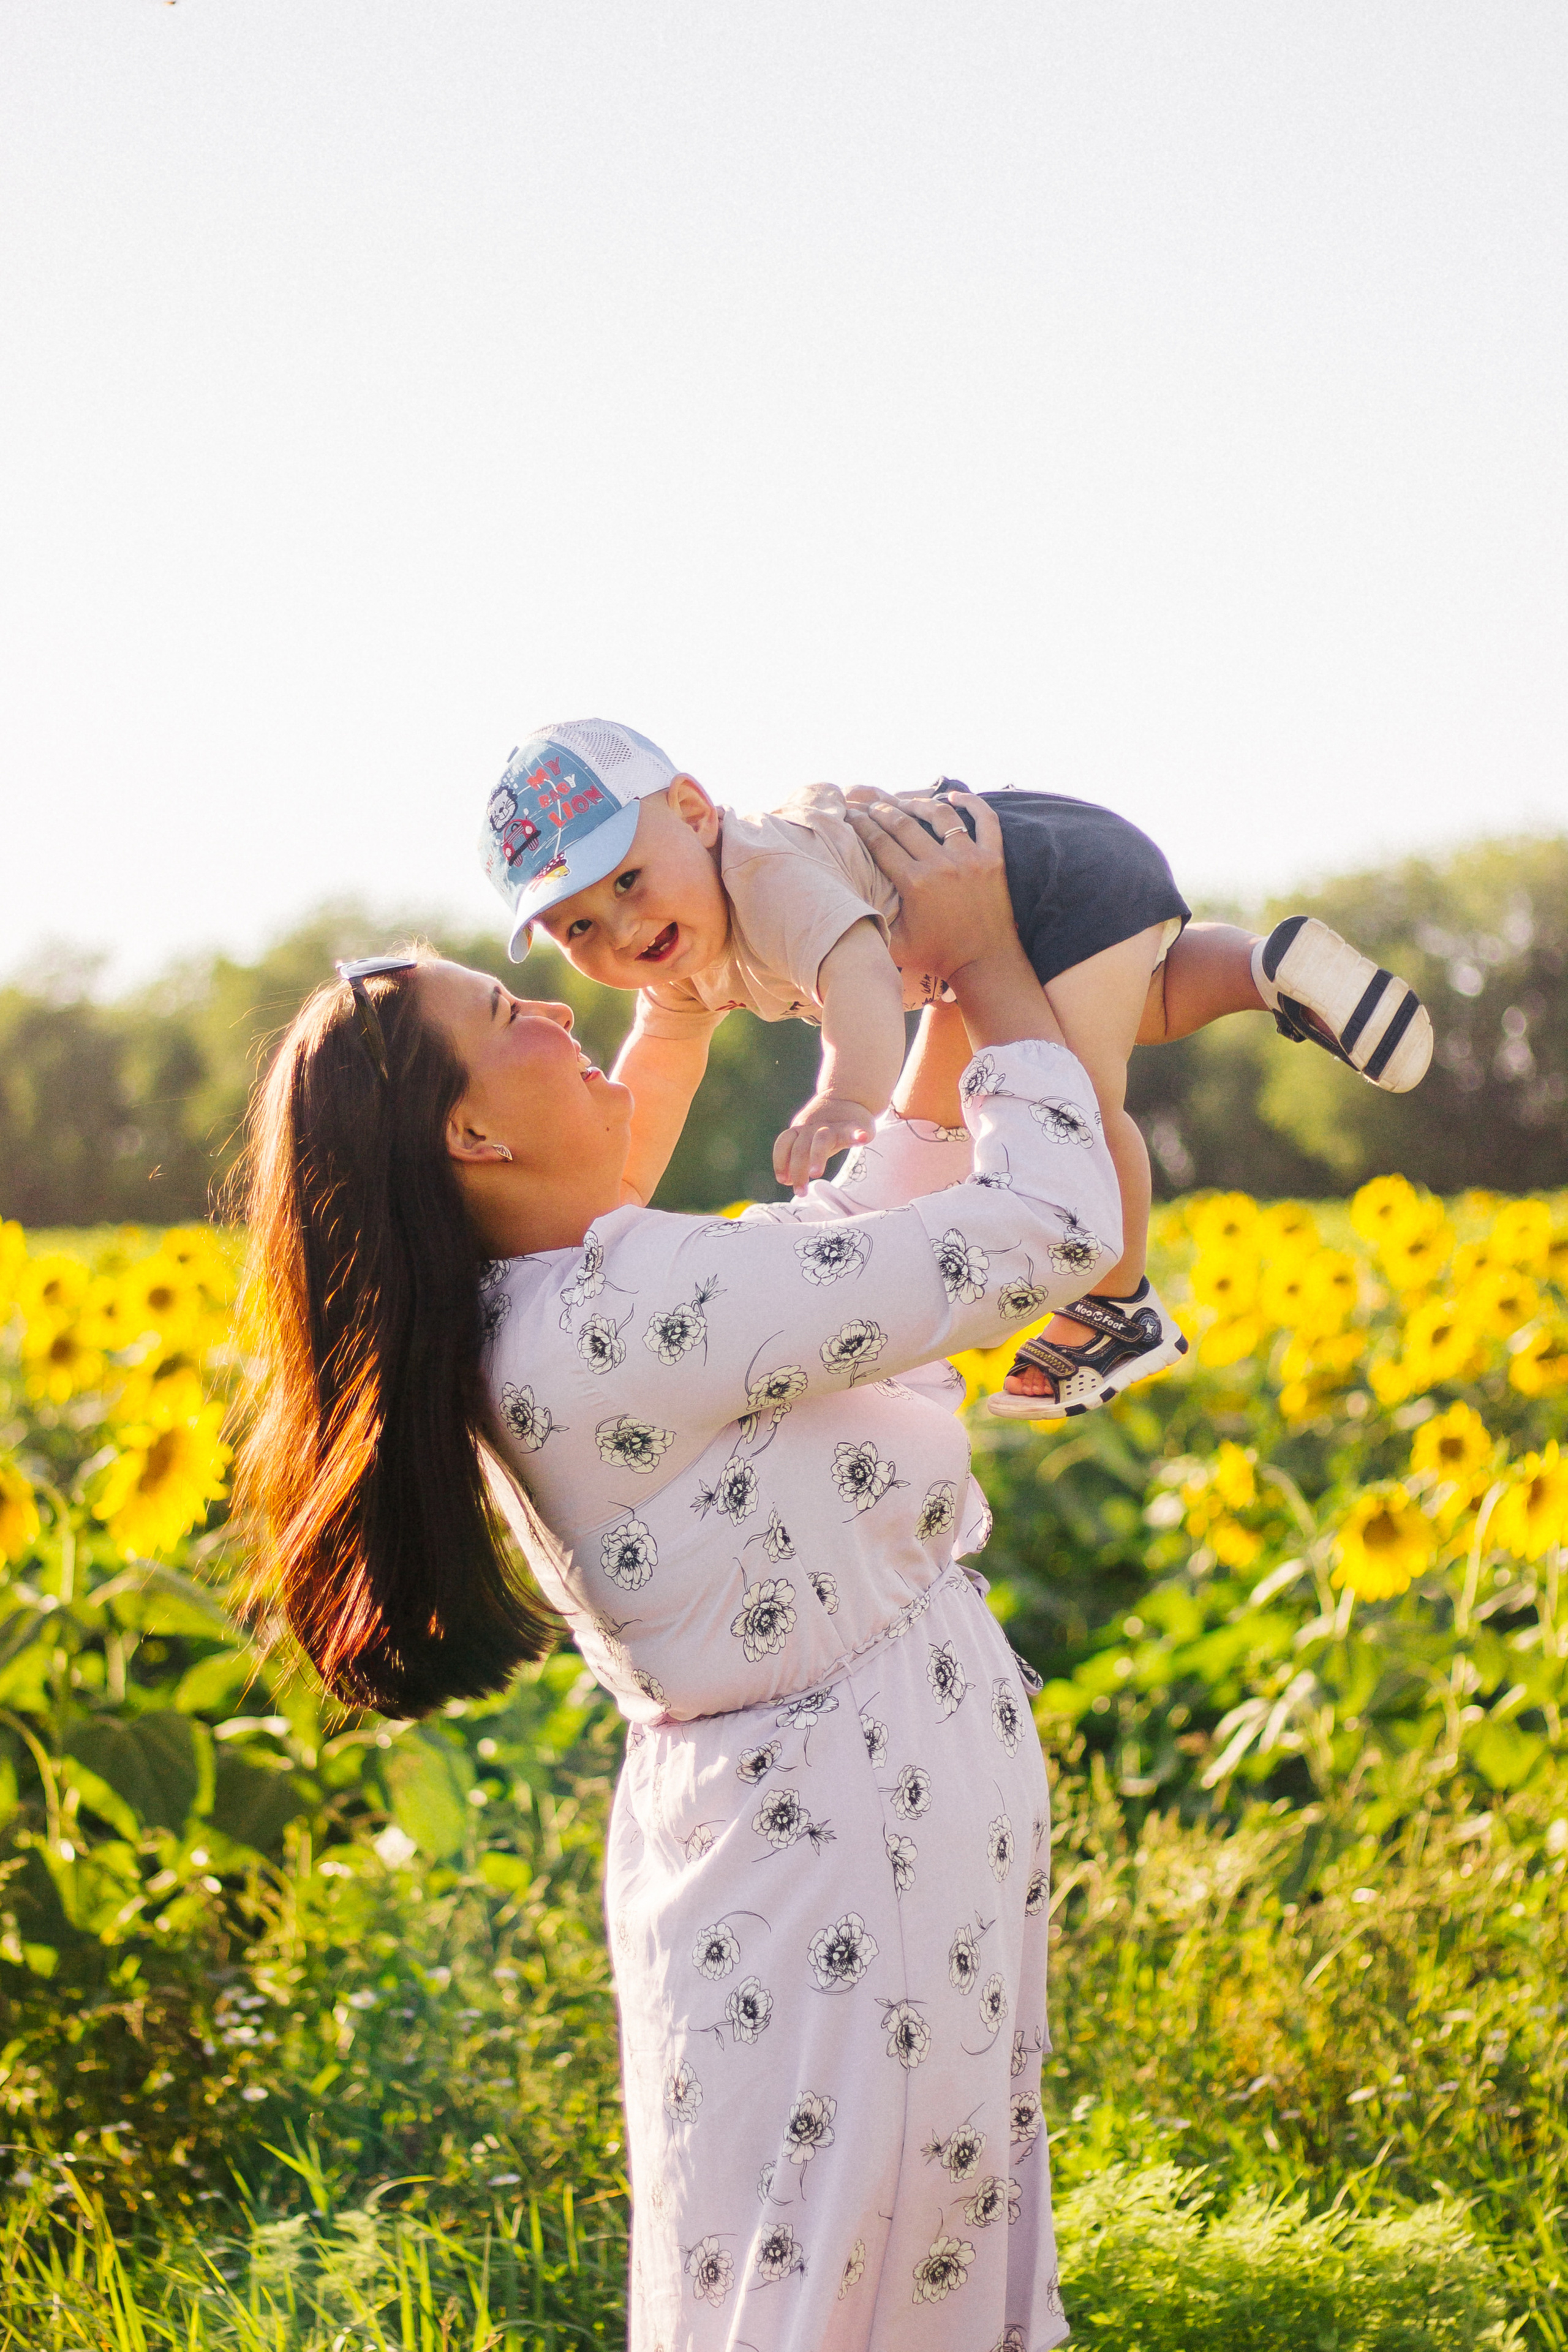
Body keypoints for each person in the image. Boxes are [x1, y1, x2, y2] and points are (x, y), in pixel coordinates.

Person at [235, 796, 1121, 2351]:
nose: (568, 1013)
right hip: (850, 1847)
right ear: (471, 1133)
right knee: (858, 2289)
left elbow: (842, 1246)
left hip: (797, 1846)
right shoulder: (625, 1308)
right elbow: (1049, 1229)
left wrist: (906, 1002)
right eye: (513, 1014)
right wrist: (985, 964)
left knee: (805, 2283)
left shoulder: (551, 1309)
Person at [478, 718, 1433, 1422]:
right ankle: (1265, 971)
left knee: (1074, 1102)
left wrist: (847, 1093)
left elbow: (853, 964)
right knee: (1139, 1008)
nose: (624, 928)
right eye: (578, 927)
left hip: (1041, 873)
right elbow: (661, 1069)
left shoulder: (762, 878)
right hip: (1050, 873)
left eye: (629, 880)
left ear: (693, 813)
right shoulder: (686, 962)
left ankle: (1121, 1303)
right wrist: (615, 1203)